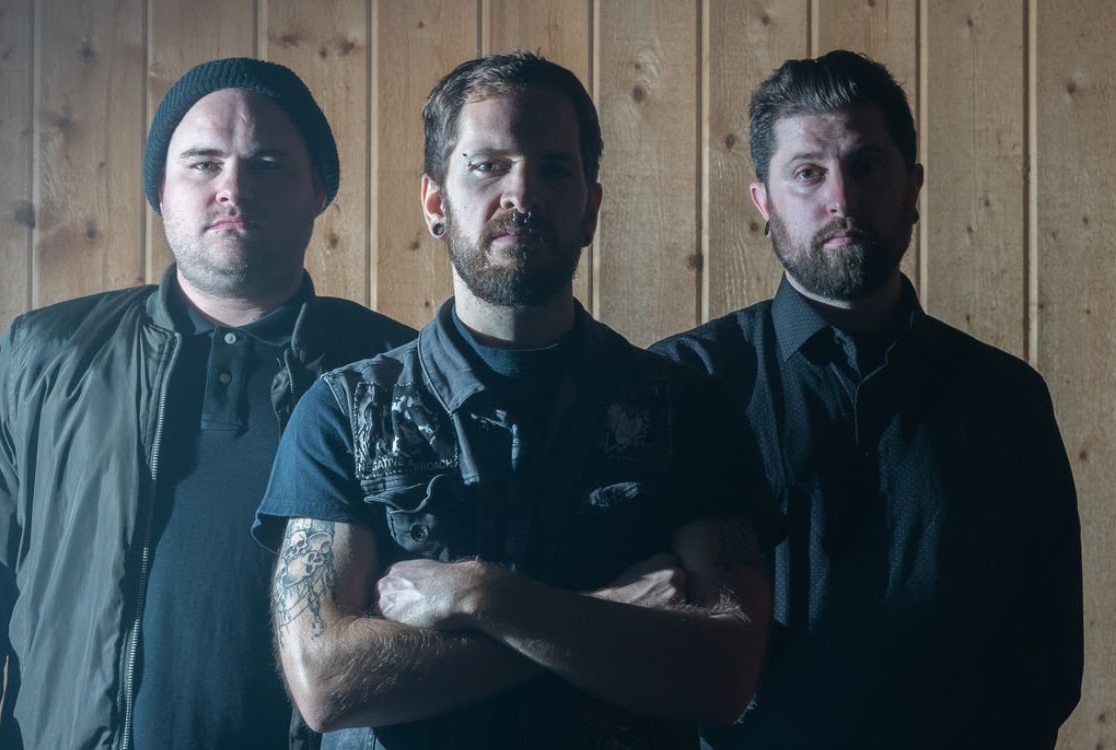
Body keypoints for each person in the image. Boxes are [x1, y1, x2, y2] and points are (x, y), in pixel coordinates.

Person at [0, 57, 414, 750]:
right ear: (161, 188)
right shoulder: (45, 357)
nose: (233, 186)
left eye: (268, 162)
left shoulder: (391, 375)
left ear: (318, 188)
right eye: (202, 163)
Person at [255, 50, 783, 750]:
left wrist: (483, 596)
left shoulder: (686, 410)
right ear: (435, 203)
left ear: (591, 208)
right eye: (488, 166)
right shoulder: (344, 413)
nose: (523, 194)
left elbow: (724, 673)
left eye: (555, 168)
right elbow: (327, 683)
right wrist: (602, 615)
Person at [651, 50, 1083, 749]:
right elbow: (640, 641)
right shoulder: (682, 386)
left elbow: (1046, 660)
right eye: (808, 174)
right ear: (763, 200)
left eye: (867, 166)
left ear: (912, 188)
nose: (841, 200)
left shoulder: (1007, 401)